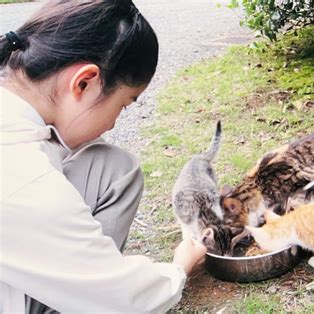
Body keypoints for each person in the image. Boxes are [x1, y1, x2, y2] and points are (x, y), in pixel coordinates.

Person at [0, 0, 207, 313]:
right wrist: (178, 268)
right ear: (84, 82)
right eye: (124, 105)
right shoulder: (26, 180)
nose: (112, 123)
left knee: (111, 166)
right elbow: (124, 302)